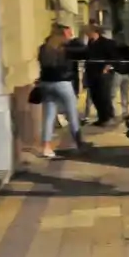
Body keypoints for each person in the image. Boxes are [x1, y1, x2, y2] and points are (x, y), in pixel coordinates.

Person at [37, 25, 84, 158]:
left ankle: (46, 147)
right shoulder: (65, 49)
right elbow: (84, 50)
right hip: (63, 83)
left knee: (49, 116)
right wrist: (73, 40)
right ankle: (78, 143)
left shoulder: (43, 48)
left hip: (46, 83)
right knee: (72, 113)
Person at [82, 24, 118, 126]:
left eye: (88, 32)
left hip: (103, 74)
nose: (87, 34)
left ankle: (109, 117)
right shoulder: (90, 43)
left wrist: (107, 67)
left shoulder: (107, 43)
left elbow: (114, 57)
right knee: (95, 96)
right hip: (91, 73)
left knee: (104, 96)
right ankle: (102, 117)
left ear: (95, 32)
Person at [111, 34, 129, 120]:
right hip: (119, 73)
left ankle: (123, 112)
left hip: (124, 73)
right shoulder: (115, 48)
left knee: (123, 94)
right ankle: (115, 112)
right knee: (115, 94)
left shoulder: (125, 49)